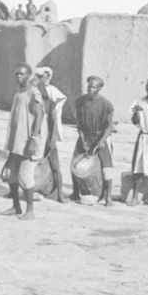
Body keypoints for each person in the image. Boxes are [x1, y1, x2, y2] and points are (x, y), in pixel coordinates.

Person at [1, 63, 46, 220]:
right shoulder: (19, 92)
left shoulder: (34, 93)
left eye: (22, 74)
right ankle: (16, 206)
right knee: (12, 175)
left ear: (29, 75)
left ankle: (30, 211)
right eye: (17, 74)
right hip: (17, 141)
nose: (18, 76)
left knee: (25, 176)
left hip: (28, 140)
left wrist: (33, 139)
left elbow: (40, 116)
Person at [71, 76, 115, 206]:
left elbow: (108, 125)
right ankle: (75, 192)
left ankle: (108, 197)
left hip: (100, 137)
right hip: (85, 136)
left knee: (107, 166)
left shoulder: (106, 104)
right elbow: (79, 124)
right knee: (75, 163)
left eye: (94, 87)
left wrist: (102, 140)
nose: (90, 89)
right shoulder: (80, 102)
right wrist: (83, 140)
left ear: (99, 89)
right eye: (89, 86)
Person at [35, 67, 67, 203]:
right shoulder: (33, 94)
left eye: (47, 76)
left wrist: (51, 139)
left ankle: (60, 193)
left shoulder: (51, 101)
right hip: (35, 136)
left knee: (55, 165)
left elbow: (52, 121)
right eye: (42, 76)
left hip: (47, 136)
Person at [129, 74, 148, 206]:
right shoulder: (139, 102)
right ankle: (135, 196)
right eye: (147, 86)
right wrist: (136, 113)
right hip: (144, 137)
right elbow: (135, 122)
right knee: (138, 166)